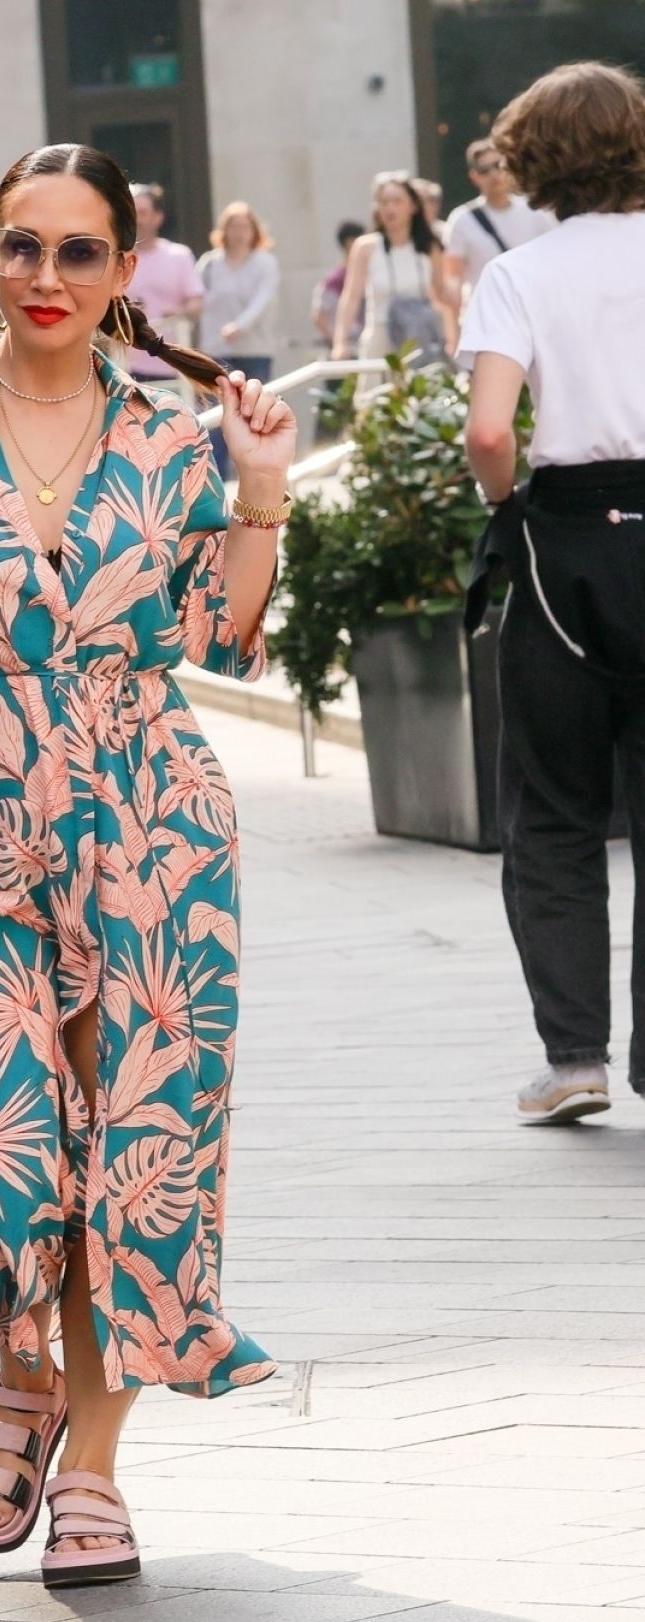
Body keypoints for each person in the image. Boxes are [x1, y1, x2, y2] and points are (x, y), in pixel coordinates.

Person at [0, 142, 294, 1588]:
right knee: (1, 1141)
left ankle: (89, 1452)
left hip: (150, 809)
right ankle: (23, 1364)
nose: (44, 279)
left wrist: (264, 491)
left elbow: (223, 643)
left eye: (77, 252)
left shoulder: (171, 431)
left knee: (137, 1153)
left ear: (124, 267)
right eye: (19, 247)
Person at [458, 62, 645, 1125]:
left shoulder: (519, 274)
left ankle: (572, 1053)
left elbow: (490, 430)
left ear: (531, 160)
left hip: (563, 541)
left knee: (556, 811)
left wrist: (508, 504)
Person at [196, 201, 280, 476]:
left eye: (245, 226)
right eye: (233, 226)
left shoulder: (265, 262)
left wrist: (239, 326)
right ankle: (217, 475)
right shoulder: (210, 263)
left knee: (254, 415)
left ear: (254, 230)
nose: (239, 232)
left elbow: (262, 301)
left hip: (254, 349)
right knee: (218, 414)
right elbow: (196, 299)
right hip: (216, 349)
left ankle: (256, 474)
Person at [333, 173, 450, 367]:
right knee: (371, 396)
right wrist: (341, 342)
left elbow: (441, 298)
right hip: (380, 338)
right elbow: (351, 297)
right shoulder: (366, 247)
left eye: (397, 201)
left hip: (420, 338)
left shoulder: (430, 247)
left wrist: (450, 338)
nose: (390, 208)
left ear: (412, 206)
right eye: (384, 202)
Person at [444, 138, 556, 316]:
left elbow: (553, 263)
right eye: (484, 170)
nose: (494, 174)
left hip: (531, 310)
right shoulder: (462, 219)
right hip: (485, 314)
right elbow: (453, 277)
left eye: (498, 165)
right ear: (474, 176)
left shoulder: (536, 212)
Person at [123, 182, 203, 384]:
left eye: (142, 212)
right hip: (125, 367)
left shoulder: (179, 255)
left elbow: (197, 304)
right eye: (131, 212)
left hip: (170, 363)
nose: (136, 219)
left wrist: (181, 314)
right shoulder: (117, 258)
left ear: (157, 217)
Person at [312, 219, 365, 352]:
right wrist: (338, 343)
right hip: (348, 347)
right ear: (349, 243)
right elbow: (319, 316)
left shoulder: (367, 274)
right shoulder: (334, 280)